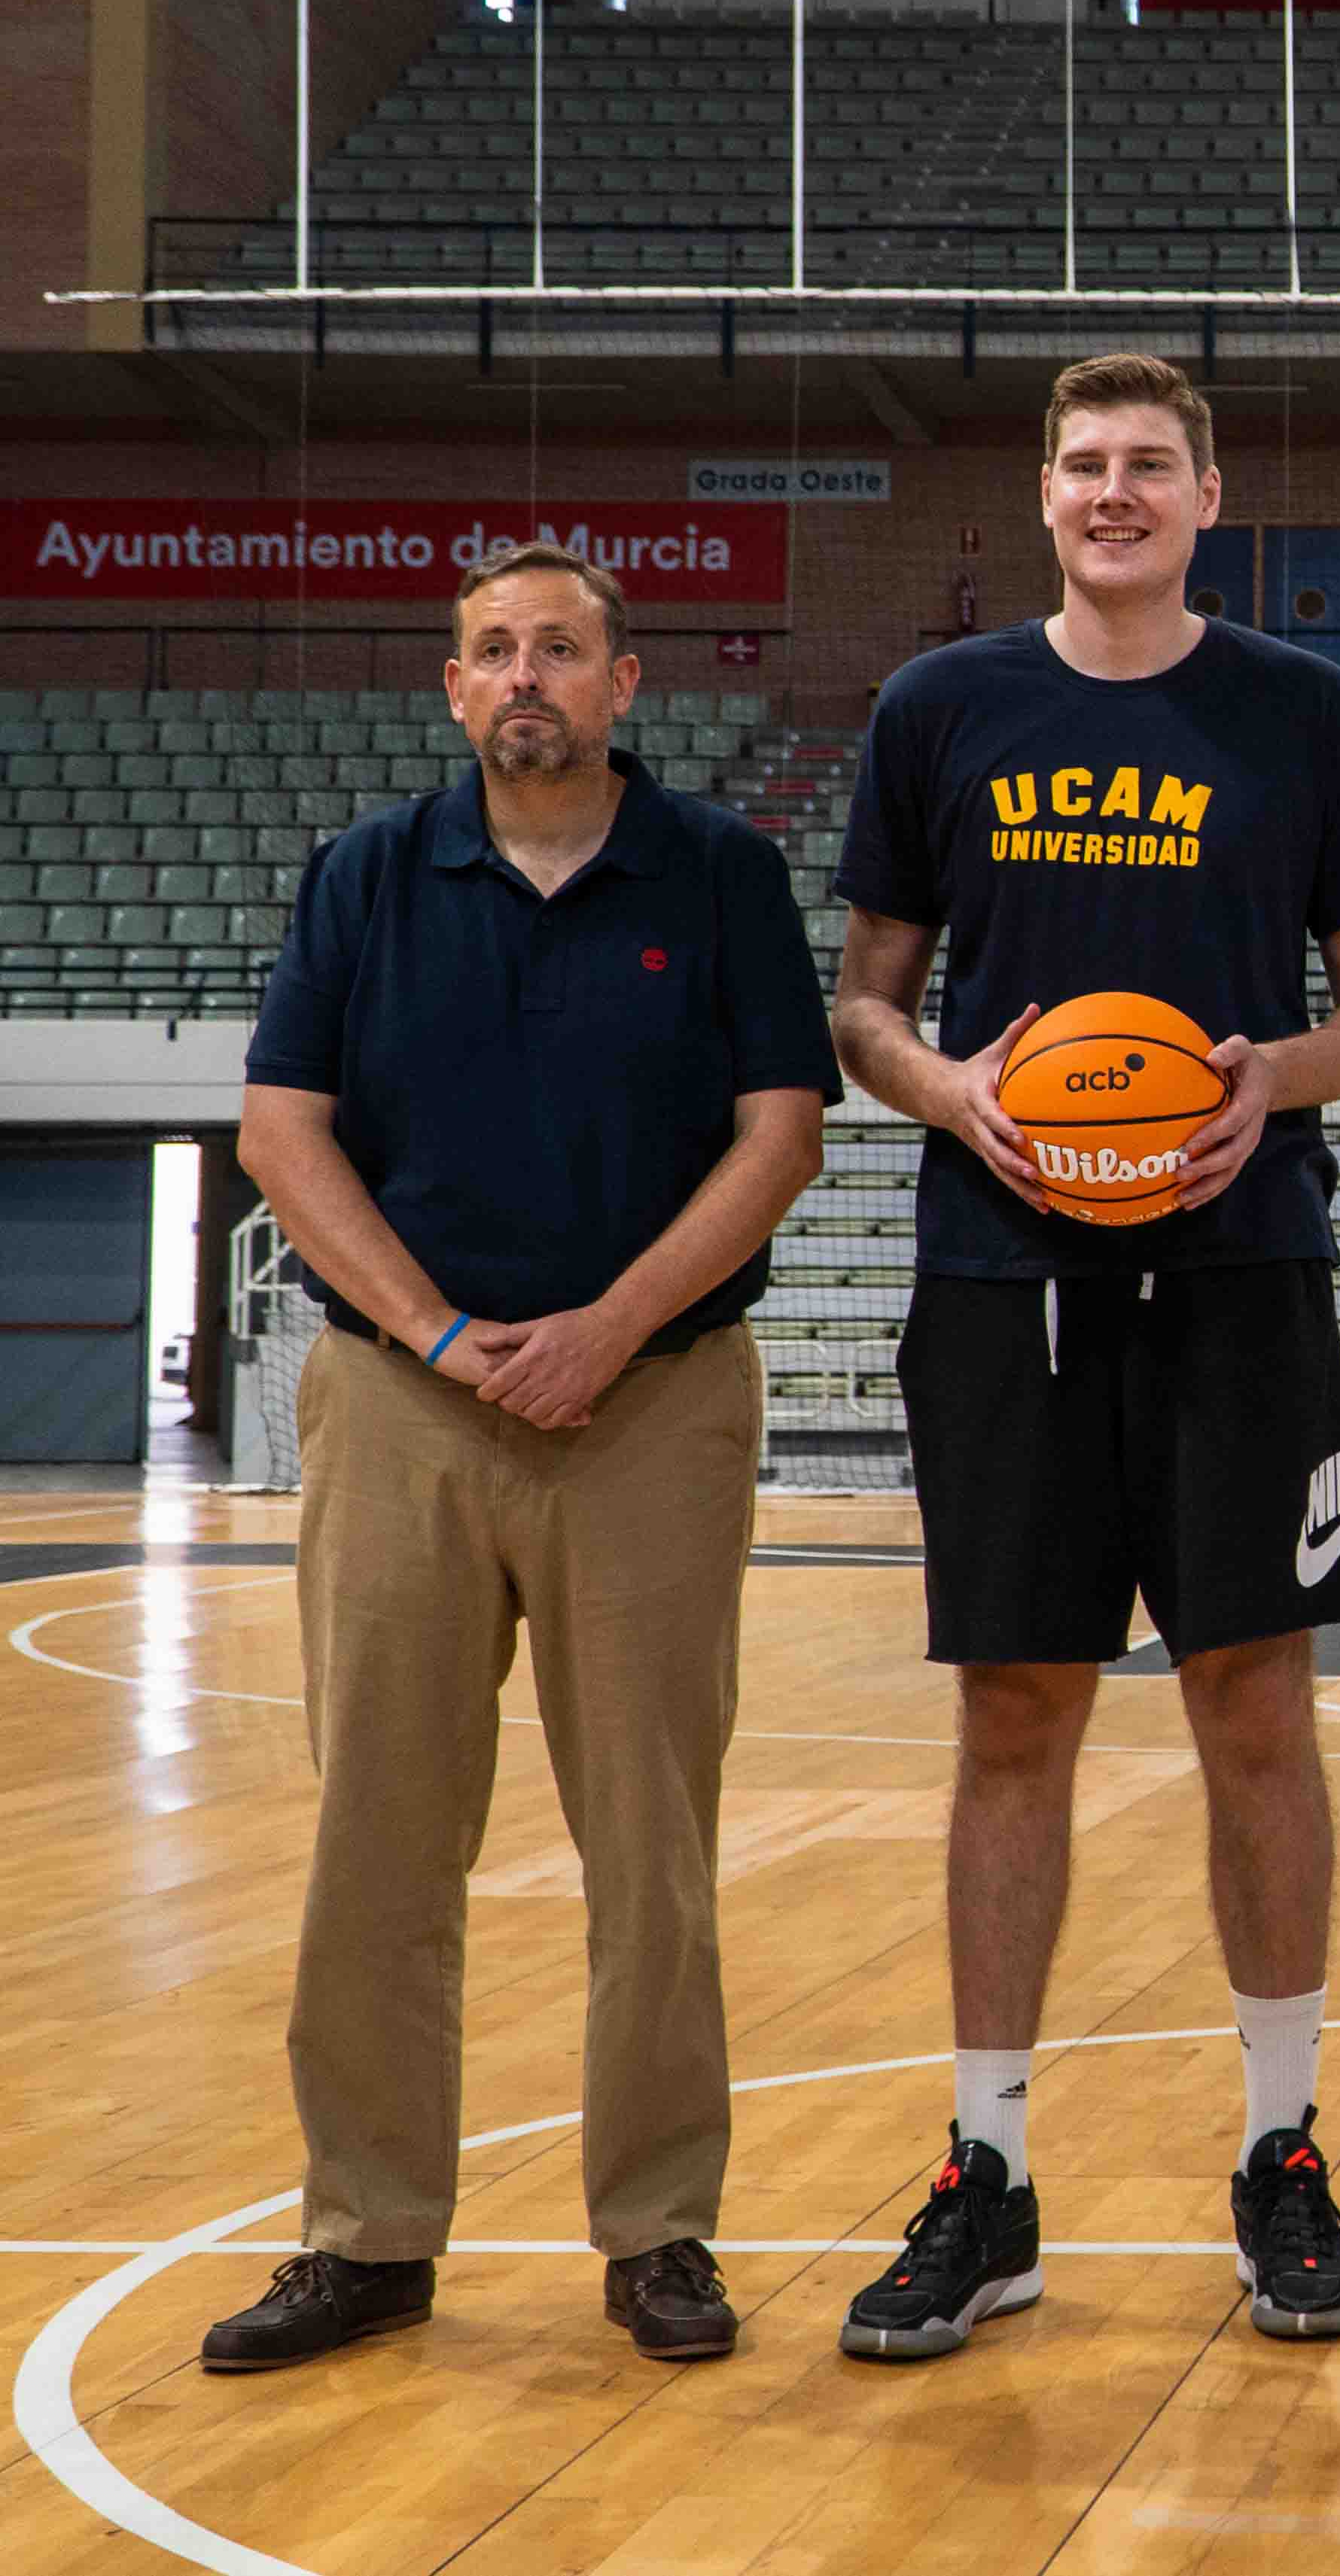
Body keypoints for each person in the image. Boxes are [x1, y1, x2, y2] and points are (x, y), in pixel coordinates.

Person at [827, 351, 1340, 2359]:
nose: (1112, 494)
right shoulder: (942, 709)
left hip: (1243, 1259)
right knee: (1018, 1712)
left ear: (1206, 493)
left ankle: (1279, 2152)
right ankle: (983, 2171)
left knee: (1256, 1706)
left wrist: (1275, 1075)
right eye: (1083, 466)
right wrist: (949, 1090)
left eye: (1146, 466)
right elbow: (863, 1006)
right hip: (1008, 1272)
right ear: (1045, 494)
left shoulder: (1302, 712)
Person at [209, 542, 836, 2371]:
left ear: (626, 683)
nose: (526, 676)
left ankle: (660, 2230)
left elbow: (781, 1131)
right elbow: (280, 1134)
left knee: (651, 1845)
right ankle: (368, 2232)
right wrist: (445, 1334)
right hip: (407, 1405)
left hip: (649, 1405)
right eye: (493, 650)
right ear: (454, 685)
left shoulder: (715, 873)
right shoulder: (367, 876)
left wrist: (607, 1328)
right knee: (377, 1840)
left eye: (561, 647)